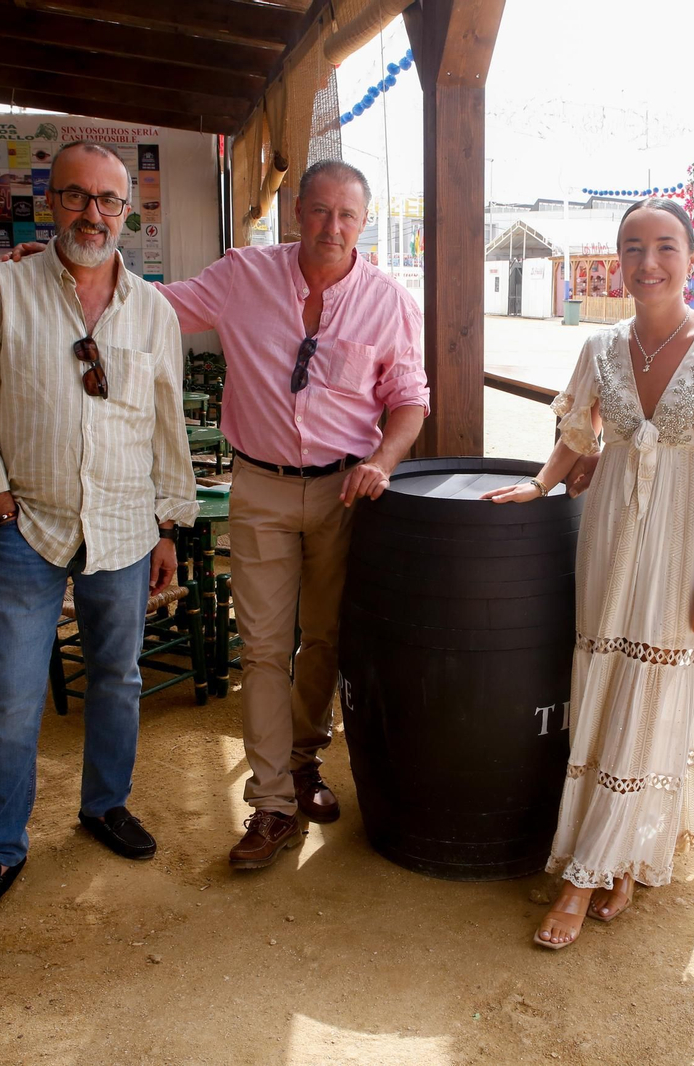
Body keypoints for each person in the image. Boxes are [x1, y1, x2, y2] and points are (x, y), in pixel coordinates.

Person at [483, 197, 694, 950]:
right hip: (610, 532)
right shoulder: (602, 346)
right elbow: (578, 433)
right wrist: (541, 485)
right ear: (616, 260)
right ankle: (628, 848)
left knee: (657, 682)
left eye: (665, 246)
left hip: (686, 540)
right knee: (606, 683)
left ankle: (585, 872)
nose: (648, 262)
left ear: (691, 257)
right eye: (632, 247)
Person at [0, 141, 198, 929]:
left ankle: (104, 805)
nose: (94, 214)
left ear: (129, 212)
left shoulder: (154, 312)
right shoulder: (3, 290)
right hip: (26, 528)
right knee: (12, 695)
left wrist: (167, 528)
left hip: (123, 527)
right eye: (76, 197)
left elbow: (166, 428)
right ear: (50, 204)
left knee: (116, 681)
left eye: (109, 201)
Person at [158, 161, 428, 868]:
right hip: (262, 489)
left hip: (345, 491)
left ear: (363, 223)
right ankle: (271, 803)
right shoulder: (241, 275)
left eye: (345, 215)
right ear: (295, 214)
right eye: (318, 211)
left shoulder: (389, 300)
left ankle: (305, 761)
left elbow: (409, 399)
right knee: (264, 648)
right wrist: (71, 273)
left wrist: (384, 462)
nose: (330, 227)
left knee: (327, 642)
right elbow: (156, 306)